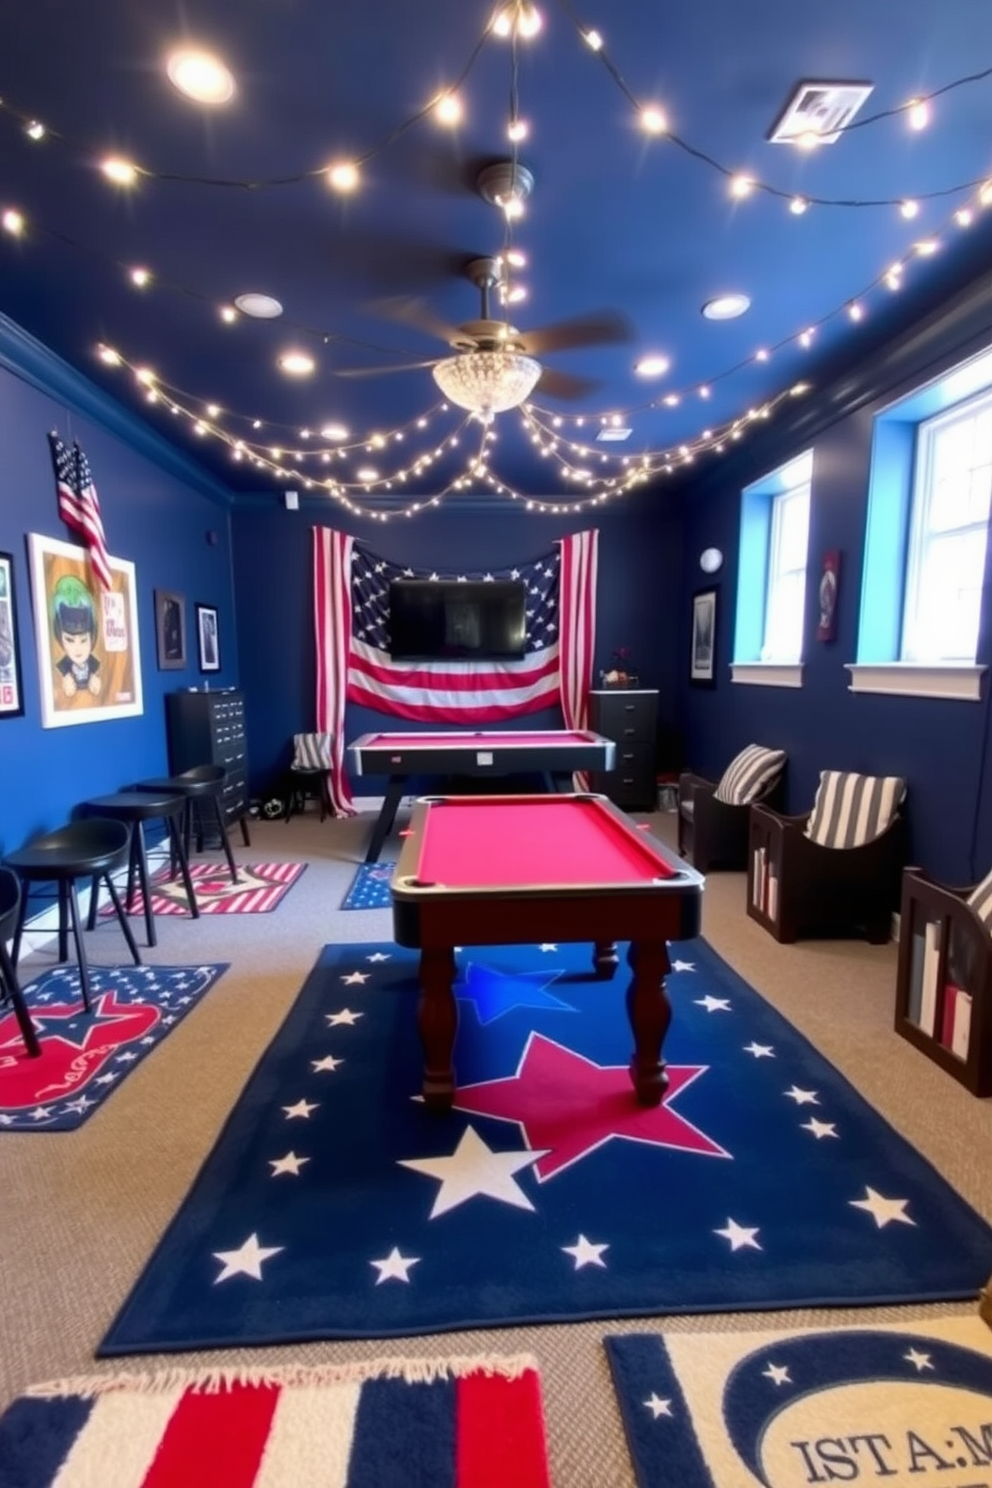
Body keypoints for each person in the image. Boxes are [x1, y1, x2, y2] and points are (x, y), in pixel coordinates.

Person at [51, 574, 101, 698]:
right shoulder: (62, 667)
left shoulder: (95, 664)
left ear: (92, 637)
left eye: (83, 640)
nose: (77, 648)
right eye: (70, 640)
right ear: (60, 637)